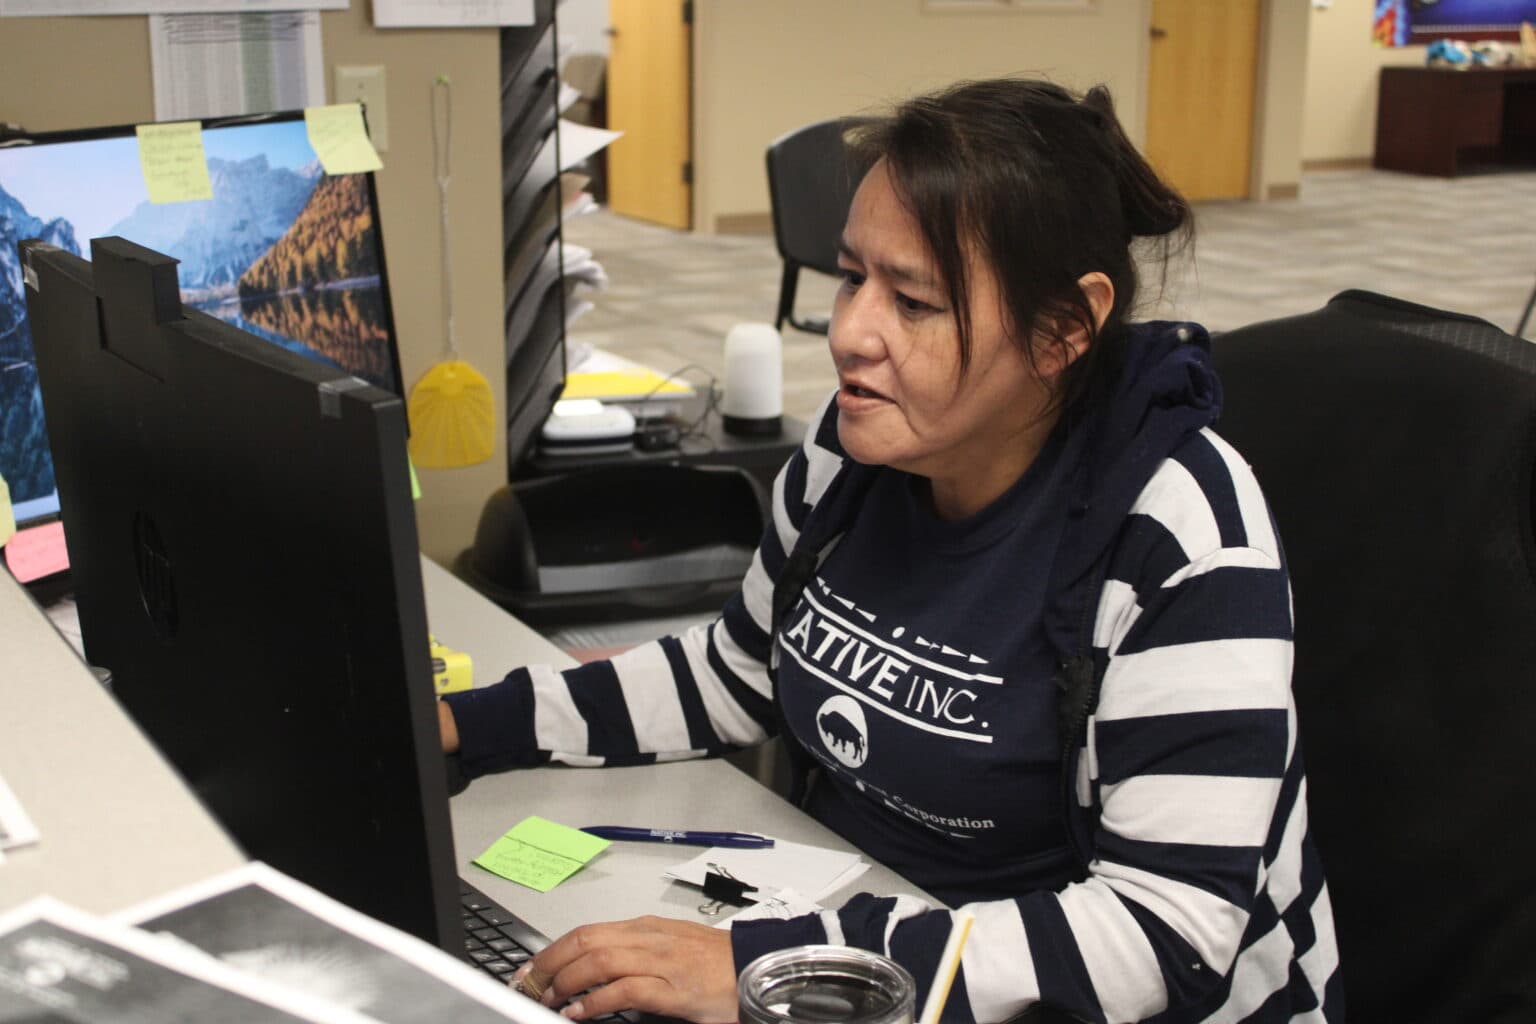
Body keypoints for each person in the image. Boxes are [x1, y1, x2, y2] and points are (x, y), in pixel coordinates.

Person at [439, 77, 1341, 1024]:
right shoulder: (861, 443)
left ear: (1065, 329)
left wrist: (773, 967)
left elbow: (1164, 938)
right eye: (850, 276)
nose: (850, 334)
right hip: (879, 941)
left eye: (913, 301)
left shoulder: (1181, 529)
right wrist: (467, 723)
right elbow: (739, 671)